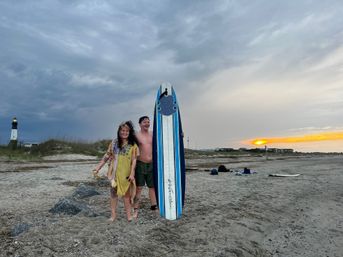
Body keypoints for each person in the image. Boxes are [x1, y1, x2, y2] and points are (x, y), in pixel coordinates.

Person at [92, 121, 139, 222]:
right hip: (113, 174)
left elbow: (134, 160)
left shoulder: (133, 145)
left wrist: (132, 173)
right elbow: (107, 156)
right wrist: (98, 167)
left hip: (125, 174)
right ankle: (113, 215)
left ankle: (129, 216)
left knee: (127, 196)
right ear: (119, 131)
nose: (124, 132)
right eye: (122, 130)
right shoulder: (114, 142)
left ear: (130, 132)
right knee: (113, 195)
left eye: (127, 131)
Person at [133, 116, 157, 219]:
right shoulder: (136, 135)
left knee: (152, 187)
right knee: (139, 187)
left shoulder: (152, 134)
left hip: (152, 164)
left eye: (148, 122)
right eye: (144, 122)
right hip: (140, 164)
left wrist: (180, 135)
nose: (147, 124)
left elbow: (166, 137)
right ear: (140, 124)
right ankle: (135, 209)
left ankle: (153, 206)